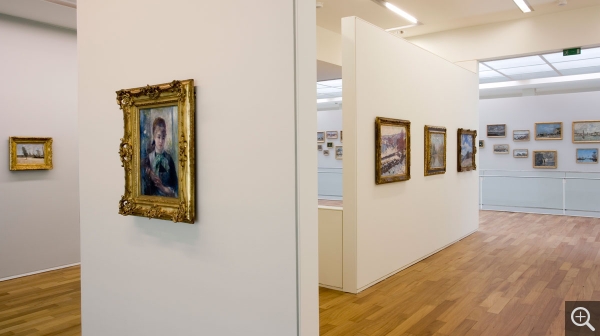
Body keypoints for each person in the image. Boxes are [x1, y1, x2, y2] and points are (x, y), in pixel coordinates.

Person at [141, 117, 178, 197]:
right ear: (154, 136)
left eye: (163, 137)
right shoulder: (148, 160)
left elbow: (176, 188)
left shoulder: (169, 159)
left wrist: (163, 188)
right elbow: (144, 191)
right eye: (158, 137)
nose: (161, 141)